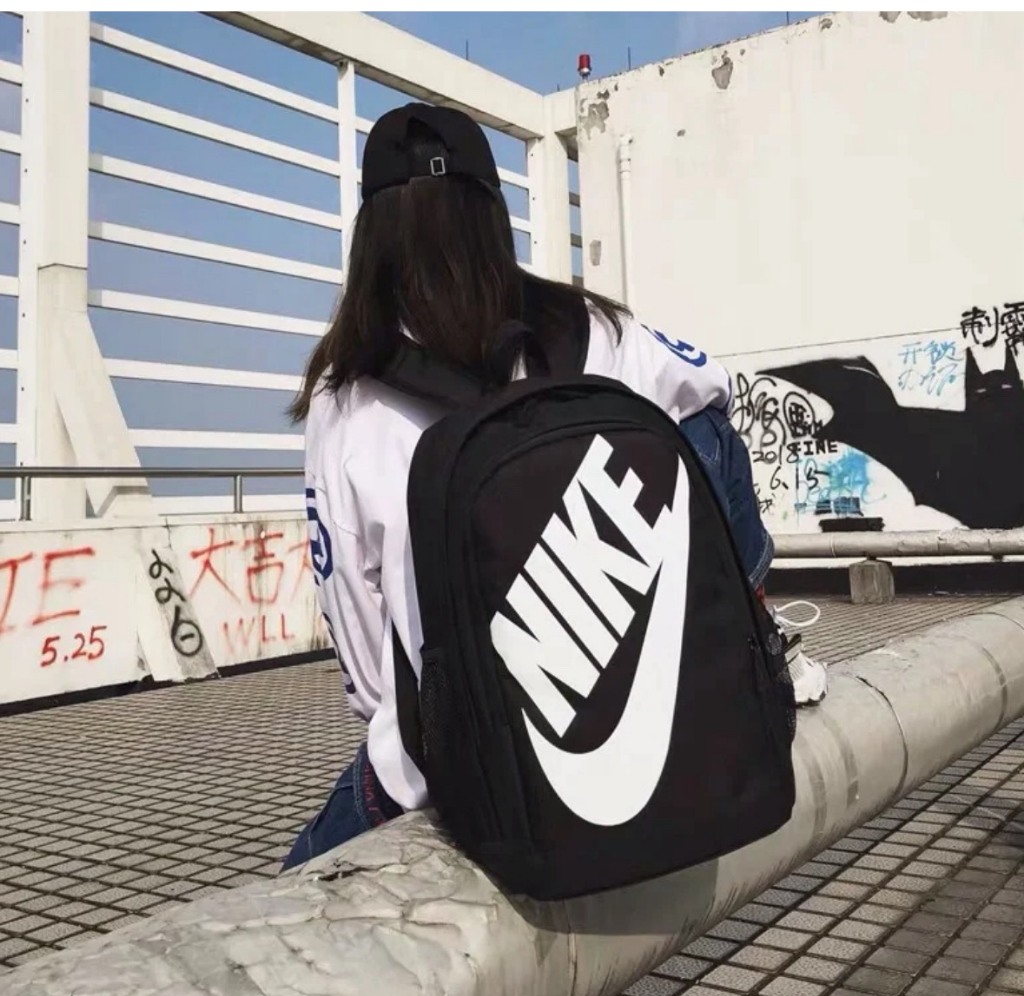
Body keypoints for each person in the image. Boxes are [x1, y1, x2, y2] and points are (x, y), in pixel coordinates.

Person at [282, 102, 825, 872]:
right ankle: (764, 653)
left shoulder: (347, 400)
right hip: (659, 701)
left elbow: (368, 666)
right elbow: (713, 401)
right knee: (703, 430)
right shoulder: (594, 328)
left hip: (459, 771)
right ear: (491, 215)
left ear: (370, 236)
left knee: (284, 900)